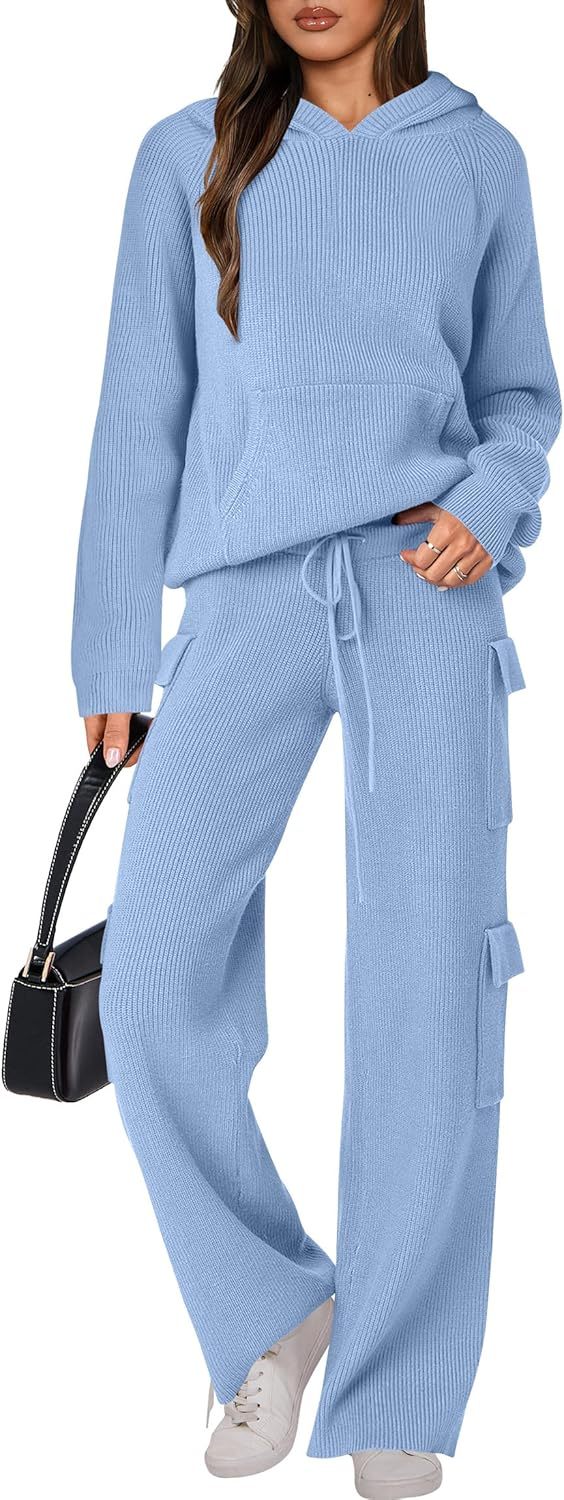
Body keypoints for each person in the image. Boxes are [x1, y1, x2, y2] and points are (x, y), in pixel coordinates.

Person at [70, 3, 560, 1495]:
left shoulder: (475, 154)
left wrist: (489, 495)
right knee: (149, 978)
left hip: (425, 585)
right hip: (243, 595)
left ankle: (400, 1389)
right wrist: (110, 644)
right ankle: (270, 1311)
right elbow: (139, 405)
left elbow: (520, 394)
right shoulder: (189, 153)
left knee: (429, 990)